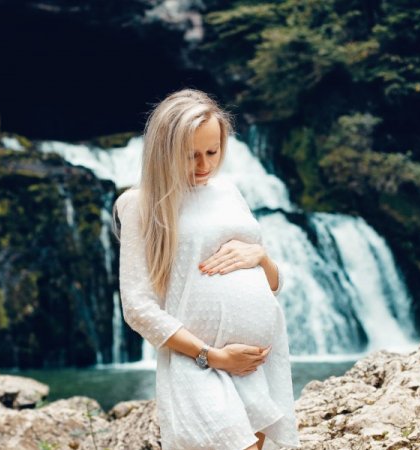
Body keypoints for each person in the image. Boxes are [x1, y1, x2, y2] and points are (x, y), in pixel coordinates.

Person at [112, 88, 300, 450]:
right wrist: (211, 355)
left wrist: (260, 257)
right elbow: (137, 307)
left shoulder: (228, 191)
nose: (204, 166)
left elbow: (274, 286)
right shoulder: (140, 204)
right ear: (163, 151)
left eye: (212, 152)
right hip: (198, 363)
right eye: (190, 156)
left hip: (255, 362)